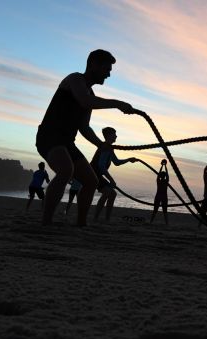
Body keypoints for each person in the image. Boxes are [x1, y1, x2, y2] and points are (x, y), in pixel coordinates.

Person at [36, 49, 145, 226]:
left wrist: (100, 144)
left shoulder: (90, 94)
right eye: (107, 69)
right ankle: (46, 222)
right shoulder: (75, 79)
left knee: (91, 180)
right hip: (49, 136)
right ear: (94, 64)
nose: (109, 74)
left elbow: (84, 127)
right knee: (65, 170)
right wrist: (117, 104)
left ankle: (81, 224)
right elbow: (84, 101)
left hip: (66, 142)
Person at [91, 127, 136, 222]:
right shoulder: (105, 147)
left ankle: (106, 219)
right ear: (109, 136)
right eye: (114, 134)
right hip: (92, 174)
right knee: (107, 191)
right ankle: (95, 218)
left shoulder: (110, 148)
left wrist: (128, 160)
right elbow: (101, 166)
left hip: (97, 174)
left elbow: (116, 162)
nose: (116, 136)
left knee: (113, 194)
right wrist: (111, 179)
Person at [150, 159, 169, 224]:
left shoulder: (159, 181)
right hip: (163, 197)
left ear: (161, 176)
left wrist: (162, 166)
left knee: (156, 210)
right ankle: (166, 223)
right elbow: (167, 174)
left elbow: (160, 174)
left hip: (159, 196)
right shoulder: (165, 181)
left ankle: (151, 221)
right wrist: (165, 166)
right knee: (164, 211)